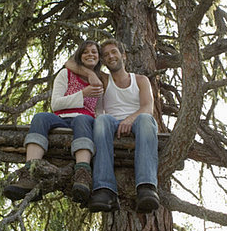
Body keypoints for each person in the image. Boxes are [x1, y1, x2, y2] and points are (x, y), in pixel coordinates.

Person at [3, 40, 104, 203]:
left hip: (85, 122)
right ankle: (30, 172)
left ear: (99, 58)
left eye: (94, 52)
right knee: (40, 117)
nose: (90, 55)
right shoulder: (66, 74)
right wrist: (83, 94)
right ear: (79, 55)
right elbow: (56, 103)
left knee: (82, 119)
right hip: (61, 118)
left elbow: (99, 111)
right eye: (85, 52)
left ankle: (83, 175)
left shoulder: (100, 83)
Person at [65, 39, 160, 213]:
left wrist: (129, 120)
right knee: (101, 120)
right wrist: (91, 73)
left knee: (146, 120)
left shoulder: (140, 80)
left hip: (138, 122)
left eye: (114, 52)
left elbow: (147, 107)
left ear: (123, 55)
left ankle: (146, 187)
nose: (111, 56)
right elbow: (69, 63)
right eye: (106, 55)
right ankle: (105, 189)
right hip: (111, 124)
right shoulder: (104, 79)